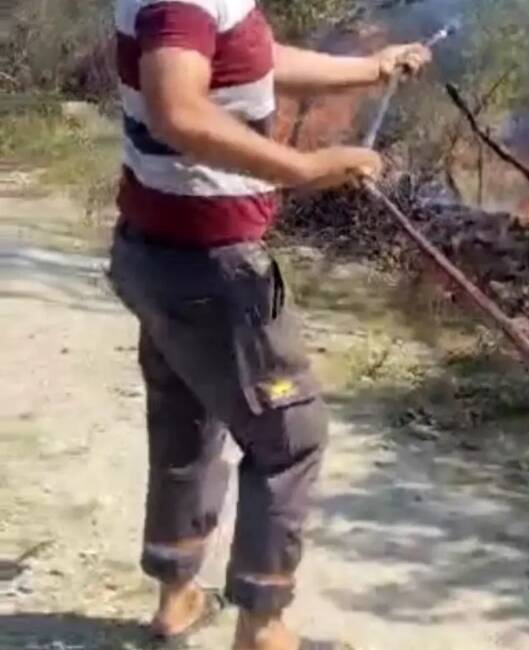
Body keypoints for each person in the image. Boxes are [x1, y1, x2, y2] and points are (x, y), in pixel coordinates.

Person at [107, 1, 430, 648]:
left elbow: (253, 58)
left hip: (155, 250)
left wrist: (366, 70)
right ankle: (263, 625)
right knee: (290, 435)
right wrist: (305, 170)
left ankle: (177, 596)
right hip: (210, 270)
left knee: (187, 419)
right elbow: (178, 108)